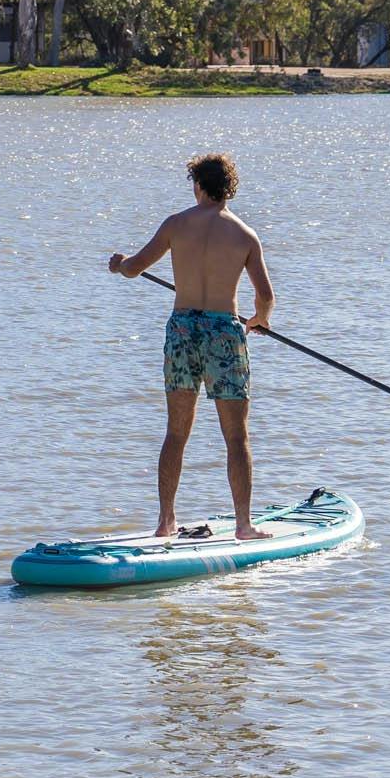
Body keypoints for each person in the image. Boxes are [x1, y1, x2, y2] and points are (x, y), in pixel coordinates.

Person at [107, 152, 275, 540]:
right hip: (223, 331)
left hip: (182, 330)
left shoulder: (177, 224)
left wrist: (119, 263)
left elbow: (135, 268)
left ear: (198, 185)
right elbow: (265, 297)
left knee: (176, 431)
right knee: (236, 435)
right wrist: (260, 322)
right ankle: (244, 526)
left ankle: (166, 521)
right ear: (228, 189)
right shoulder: (245, 235)